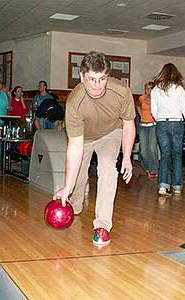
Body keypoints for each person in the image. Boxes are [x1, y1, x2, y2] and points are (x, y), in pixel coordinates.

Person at [53, 51, 135, 247]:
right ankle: (75, 205)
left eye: (102, 79)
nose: (97, 86)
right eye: (92, 79)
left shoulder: (121, 91)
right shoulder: (75, 102)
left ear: (107, 76)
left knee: (107, 167)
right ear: (82, 77)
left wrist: (127, 157)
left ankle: (103, 225)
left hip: (110, 133)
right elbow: (75, 145)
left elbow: (129, 124)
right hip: (84, 139)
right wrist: (67, 187)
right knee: (78, 180)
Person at [151, 63, 185, 196]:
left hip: (162, 122)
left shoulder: (155, 90)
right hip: (177, 123)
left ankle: (163, 185)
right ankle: (177, 186)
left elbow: (153, 110)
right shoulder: (179, 89)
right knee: (177, 155)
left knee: (164, 155)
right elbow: (184, 108)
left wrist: (160, 120)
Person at [137, 81, 158, 178]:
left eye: (150, 88)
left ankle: (153, 169)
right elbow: (138, 105)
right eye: (146, 88)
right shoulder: (141, 98)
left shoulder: (157, 99)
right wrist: (141, 115)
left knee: (152, 148)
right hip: (143, 125)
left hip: (153, 125)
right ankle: (147, 167)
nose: (148, 90)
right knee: (143, 151)